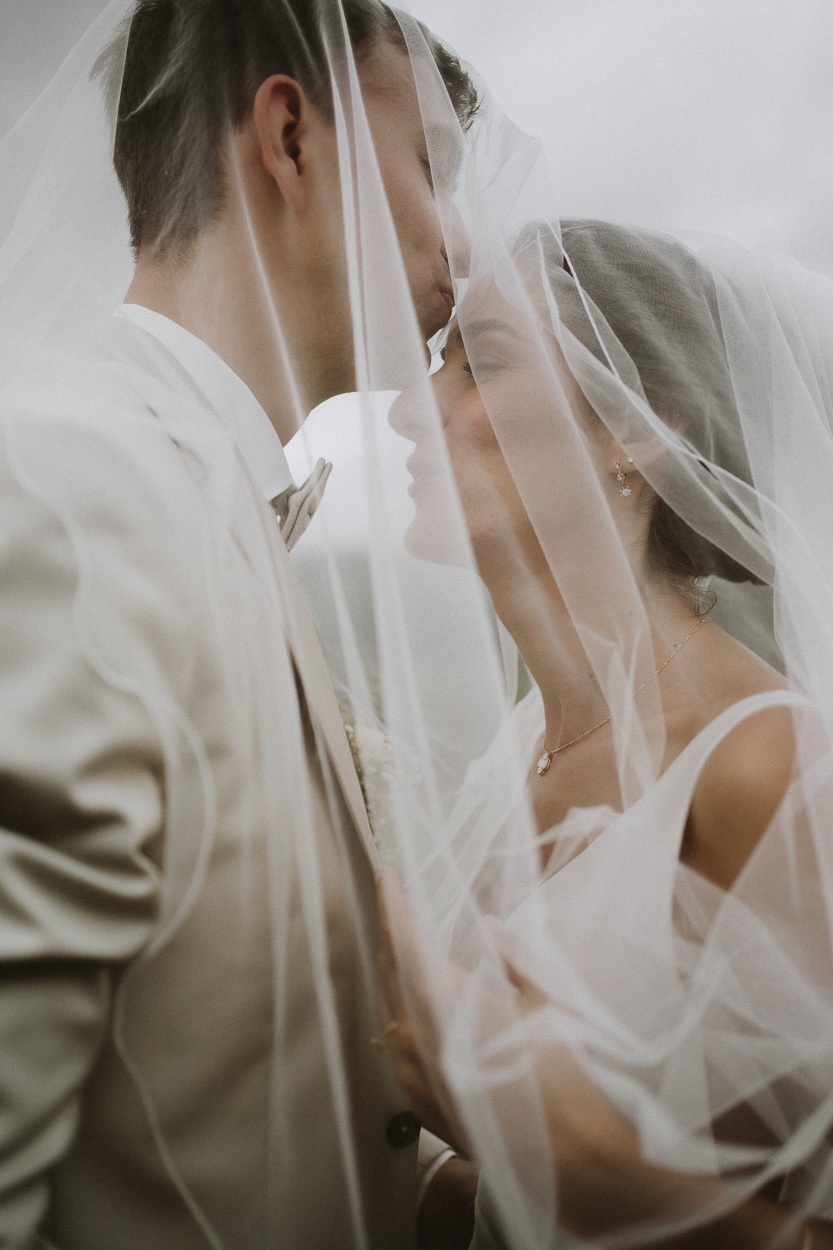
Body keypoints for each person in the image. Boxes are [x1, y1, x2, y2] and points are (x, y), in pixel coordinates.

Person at [0, 1, 482, 1245]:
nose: (461, 238)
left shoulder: (216, 499)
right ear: (289, 136)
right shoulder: (76, 493)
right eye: (430, 167)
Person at [377, 219, 833, 1247]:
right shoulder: (516, 748)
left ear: (639, 426)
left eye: (479, 359)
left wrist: (585, 1169)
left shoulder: (765, 767)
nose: (410, 409)